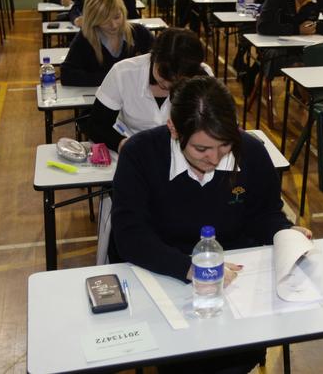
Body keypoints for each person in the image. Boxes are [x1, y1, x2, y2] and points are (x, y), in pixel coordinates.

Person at [111, 75, 311, 373]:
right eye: (201, 149)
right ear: (174, 129)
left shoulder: (251, 151)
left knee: (234, 357)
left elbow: (263, 213)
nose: (215, 159)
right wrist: (189, 267)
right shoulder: (141, 154)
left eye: (224, 145)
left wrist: (283, 231)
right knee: (183, 356)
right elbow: (129, 235)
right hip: (164, 272)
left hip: (235, 282)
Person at [87, 28, 213, 152]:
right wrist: (122, 143)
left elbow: (213, 123)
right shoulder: (123, 72)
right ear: (154, 55)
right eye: (163, 76)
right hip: (133, 149)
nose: (167, 84)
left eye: (176, 80)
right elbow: (96, 125)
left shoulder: (202, 76)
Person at [61, 0, 153, 87]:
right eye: (105, 20)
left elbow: (160, 60)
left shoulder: (139, 33)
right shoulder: (85, 38)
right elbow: (67, 75)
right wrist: (112, 78)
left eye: (117, 17)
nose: (113, 25)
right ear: (94, 19)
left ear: (123, 12)